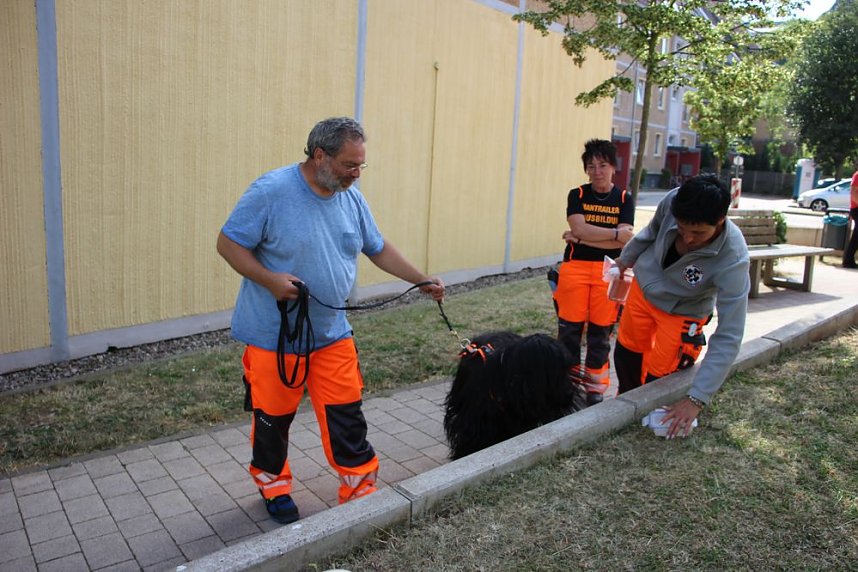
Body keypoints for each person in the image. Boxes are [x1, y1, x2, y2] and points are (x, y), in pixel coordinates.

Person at [217, 117, 445, 524]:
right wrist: (270, 280)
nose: (356, 174)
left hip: (331, 334)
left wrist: (421, 279)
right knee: (272, 419)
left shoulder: (350, 197)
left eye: (361, 166)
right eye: (348, 165)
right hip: (275, 337)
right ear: (319, 155)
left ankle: (361, 491)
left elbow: (377, 247)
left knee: (346, 417)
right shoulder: (271, 191)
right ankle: (273, 486)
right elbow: (229, 243)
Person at [612, 175, 750, 439]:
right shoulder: (673, 200)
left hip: (683, 311)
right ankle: (625, 409)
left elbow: (731, 333)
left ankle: (650, 414)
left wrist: (697, 399)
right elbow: (651, 231)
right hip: (643, 289)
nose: (687, 238)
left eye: (698, 232)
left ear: (720, 220)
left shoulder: (733, 258)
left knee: (660, 376)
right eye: (682, 227)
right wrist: (625, 259)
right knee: (627, 353)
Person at [553, 139, 635, 405]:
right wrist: (612, 235)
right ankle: (566, 385)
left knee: (601, 333)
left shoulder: (624, 198)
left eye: (602, 165)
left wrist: (583, 237)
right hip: (574, 270)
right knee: (569, 332)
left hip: (609, 272)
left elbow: (624, 241)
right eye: (591, 166)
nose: (597, 171)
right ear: (586, 170)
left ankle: (595, 388)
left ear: (613, 167)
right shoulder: (576, 194)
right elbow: (585, 229)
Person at [842, 169, 858, 269]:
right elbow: (853, 192)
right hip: (857, 208)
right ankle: (848, 261)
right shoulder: (857, 175)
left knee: (857, 236)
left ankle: (849, 260)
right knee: (856, 236)